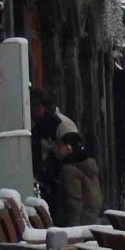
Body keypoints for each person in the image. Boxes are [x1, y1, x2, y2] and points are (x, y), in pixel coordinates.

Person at [30, 88, 78, 220]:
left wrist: (55, 154)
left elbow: (75, 149)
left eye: (31, 108)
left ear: (39, 106)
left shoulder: (60, 124)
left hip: (62, 187)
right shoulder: (41, 125)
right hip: (50, 185)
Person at [57, 131, 103, 226]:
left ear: (69, 148)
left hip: (79, 223)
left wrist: (73, 228)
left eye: (61, 146)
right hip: (91, 217)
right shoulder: (88, 165)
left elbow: (74, 201)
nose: (58, 149)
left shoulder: (70, 168)